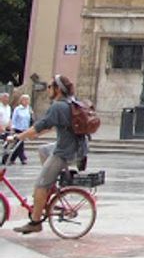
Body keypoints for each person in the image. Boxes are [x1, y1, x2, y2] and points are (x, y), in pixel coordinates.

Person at [9, 74, 86, 235]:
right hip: (75, 147)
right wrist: (36, 134)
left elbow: (41, 125)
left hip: (65, 152)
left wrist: (18, 136)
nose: (48, 89)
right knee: (43, 150)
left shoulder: (58, 106)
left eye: (50, 87)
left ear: (58, 89)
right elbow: (51, 126)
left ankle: (35, 221)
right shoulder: (69, 102)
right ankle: (49, 186)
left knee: (39, 186)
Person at [10, 95, 32, 165]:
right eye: (24, 100)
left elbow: (30, 119)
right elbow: (14, 119)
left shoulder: (29, 109)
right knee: (20, 145)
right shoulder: (18, 109)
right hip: (17, 129)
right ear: (21, 101)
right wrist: (12, 128)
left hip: (25, 129)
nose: (26, 101)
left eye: (27, 100)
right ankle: (23, 159)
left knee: (18, 145)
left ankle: (11, 159)